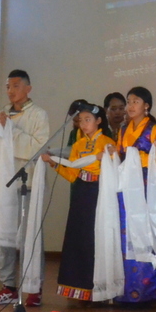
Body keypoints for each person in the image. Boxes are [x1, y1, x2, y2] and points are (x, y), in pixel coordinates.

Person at [0, 69, 51, 306]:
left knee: (30, 236)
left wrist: (11, 132)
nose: (11, 91)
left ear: (28, 89)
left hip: (28, 183)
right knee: (5, 235)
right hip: (5, 184)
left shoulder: (38, 115)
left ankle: (34, 288)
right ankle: (8, 286)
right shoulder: (0, 115)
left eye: (16, 86)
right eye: (8, 87)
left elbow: (38, 148)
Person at [43, 101, 116, 301]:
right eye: (81, 120)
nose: (84, 124)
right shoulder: (78, 145)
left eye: (88, 120)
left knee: (95, 238)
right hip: (82, 192)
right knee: (78, 238)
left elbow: (115, 167)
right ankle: (78, 287)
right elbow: (73, 174)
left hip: (99, 193)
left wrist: (109, 156)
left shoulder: (107, 142)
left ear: (98, 121)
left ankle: (99, 289)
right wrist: (53, 163)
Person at [114, 87, 156, 303]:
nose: (130, 106)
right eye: (129, 101)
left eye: (136, 101)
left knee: (143, 234)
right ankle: (127, 290)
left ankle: (148, 290)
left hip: (146, 185)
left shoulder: (154, 129)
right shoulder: (123, 129)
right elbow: (120, 156)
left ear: (147, 105)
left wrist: (140, 158)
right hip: (127, 186)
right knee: (126, 235)